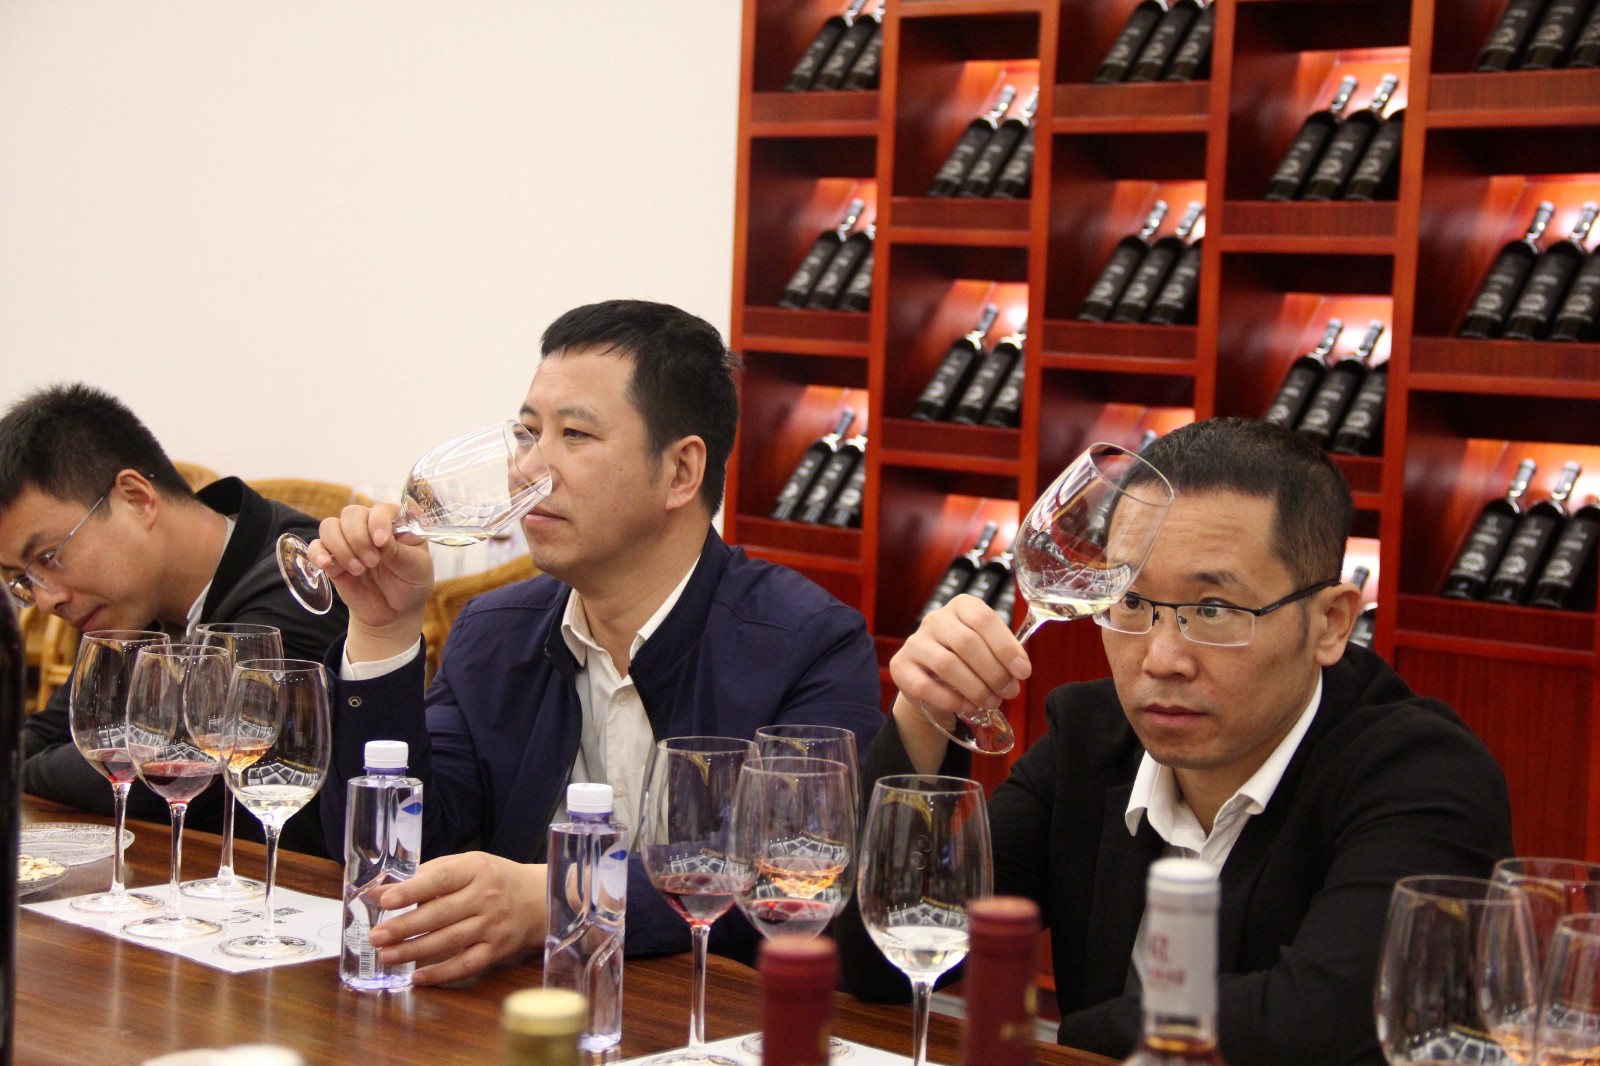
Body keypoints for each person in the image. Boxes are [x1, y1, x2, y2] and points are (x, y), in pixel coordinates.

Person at [836, 417, 1513, 1066]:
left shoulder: (1426, 778)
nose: (1161, 659)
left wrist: (1078, 1040)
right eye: (1131, 602)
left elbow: (1318, 1029)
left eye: (1213, 610)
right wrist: (923, 711)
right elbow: (882, 961)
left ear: (1331, 623)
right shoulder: (1090, 740)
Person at [309, 299, 881, 986]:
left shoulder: (809, 645)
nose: (529, 468)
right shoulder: (495, 631)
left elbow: (799, 887)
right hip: (528, 1012)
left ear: (681, 472)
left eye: (574, 435)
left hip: (718, 1019)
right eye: (528, 433)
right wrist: (382, 631)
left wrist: (564, 895)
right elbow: (395, 860)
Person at [0, 383, 348, 856]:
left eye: (49, 557)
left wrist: (23, 768)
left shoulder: (296, 583)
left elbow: (169, 770)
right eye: (25, 580)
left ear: (136, 498)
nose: (46, 600)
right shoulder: (129, 607)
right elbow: (52, 731)